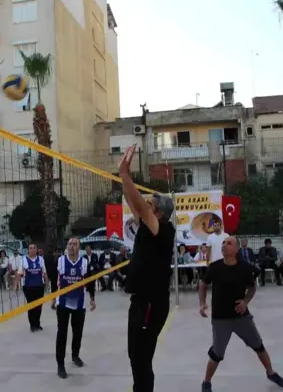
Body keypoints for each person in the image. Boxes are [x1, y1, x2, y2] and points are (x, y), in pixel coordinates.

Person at [198, 236, 283, 391]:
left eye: (229, 243)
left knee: (258, 346)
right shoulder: (215, 267)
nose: (224, 246)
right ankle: (206, 382)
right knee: (217, 354)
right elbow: (203, 284)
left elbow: (252, 288)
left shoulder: (245, 268)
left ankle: (271, 372)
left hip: (242, 317)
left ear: (237, 249)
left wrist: (245, 302)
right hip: (221, 319)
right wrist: (202, 304)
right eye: (223, 243)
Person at [119, 145, 175, 392]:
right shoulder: (148, 225)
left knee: (141, 358)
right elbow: (133, 201)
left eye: (150, 203)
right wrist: (123, 177)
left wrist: (126, 174)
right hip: (141, 300)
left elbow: (139, 206)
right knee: (135, 355)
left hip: (152, 303)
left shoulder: (163, 229)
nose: (145, 204)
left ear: (158, 212)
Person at [55, 238, 96, 379]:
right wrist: (53, 300)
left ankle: (75, 355)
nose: (72, 246)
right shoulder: (61, 261)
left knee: (77, 332)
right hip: (63, 302)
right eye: (70, 244)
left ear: (79, 247)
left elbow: (90, 282)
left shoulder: (84, 262)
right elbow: (57, 281)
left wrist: (92, 299)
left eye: (75, 244)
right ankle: (60, 364)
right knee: (62, 333)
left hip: (79, 303)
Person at [17, 243, 48, 332]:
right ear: (28, 250)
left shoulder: (41, 259)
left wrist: (46, 281)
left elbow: (44, 272)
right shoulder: (23, 260)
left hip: (39, 286)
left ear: (36, 250)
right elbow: (19, 273)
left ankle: (37, 323)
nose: (32, 249)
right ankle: (32, 325)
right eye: (30, 248)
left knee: (39, 306)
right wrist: (16, 284)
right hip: (28, 287)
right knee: (31, 305)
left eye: (34, 248)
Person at [44, 245, 59, 309]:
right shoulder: (55, 257)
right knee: (54, 289)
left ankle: (53, 302)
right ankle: (53, 303)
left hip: (48, 274)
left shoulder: (45, 257)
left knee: (53, 289)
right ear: (55, 252)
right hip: (55, 275)